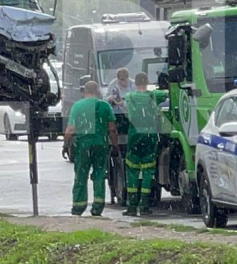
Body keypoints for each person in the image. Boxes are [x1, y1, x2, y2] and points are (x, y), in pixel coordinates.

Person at [64, 80, 119, 216]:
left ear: (84, 91)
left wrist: (65, 145)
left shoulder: (78, 106)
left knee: (80, 176)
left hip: (83, 145)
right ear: (97, 91)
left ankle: (78, 207)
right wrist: (115, 145)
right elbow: (112, 129)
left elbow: (70, 130)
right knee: (99, 175)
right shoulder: (105, 106)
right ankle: (97, 207)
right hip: (101, 143)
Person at [122, 72, 169, 216]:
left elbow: (124, 110)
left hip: (135, 135)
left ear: (135, 83)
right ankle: (144, 206)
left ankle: (131, 206)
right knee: (148, 171)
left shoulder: (129, 97)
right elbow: (167, 93)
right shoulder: (154, 95)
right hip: (150, 135)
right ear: (147, 81)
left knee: (132, 170)